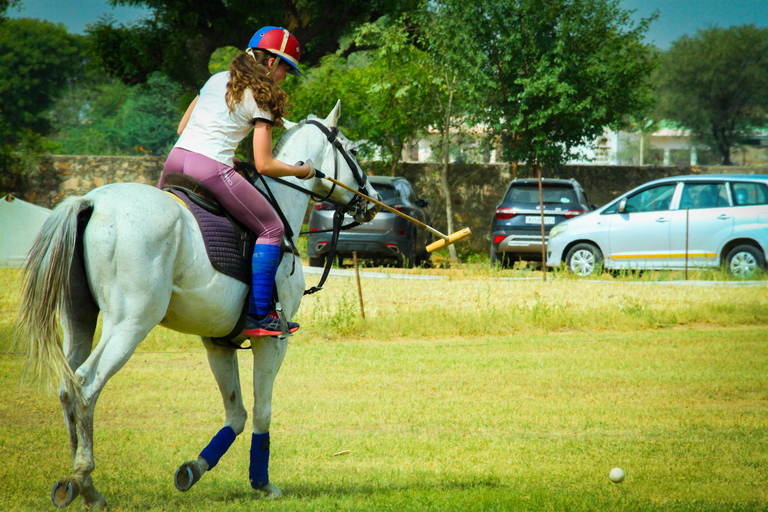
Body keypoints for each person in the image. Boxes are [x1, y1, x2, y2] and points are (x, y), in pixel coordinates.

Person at [158, 26, 315, 338]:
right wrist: (303, 171)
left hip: (175, 161)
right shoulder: (263, 95)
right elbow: (264, 164)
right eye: (285, 68)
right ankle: (259, 315)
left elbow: (182, 127)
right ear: (271, 62)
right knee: (272, 229)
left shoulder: (217, 79)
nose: (284, 77)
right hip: (210, 168)